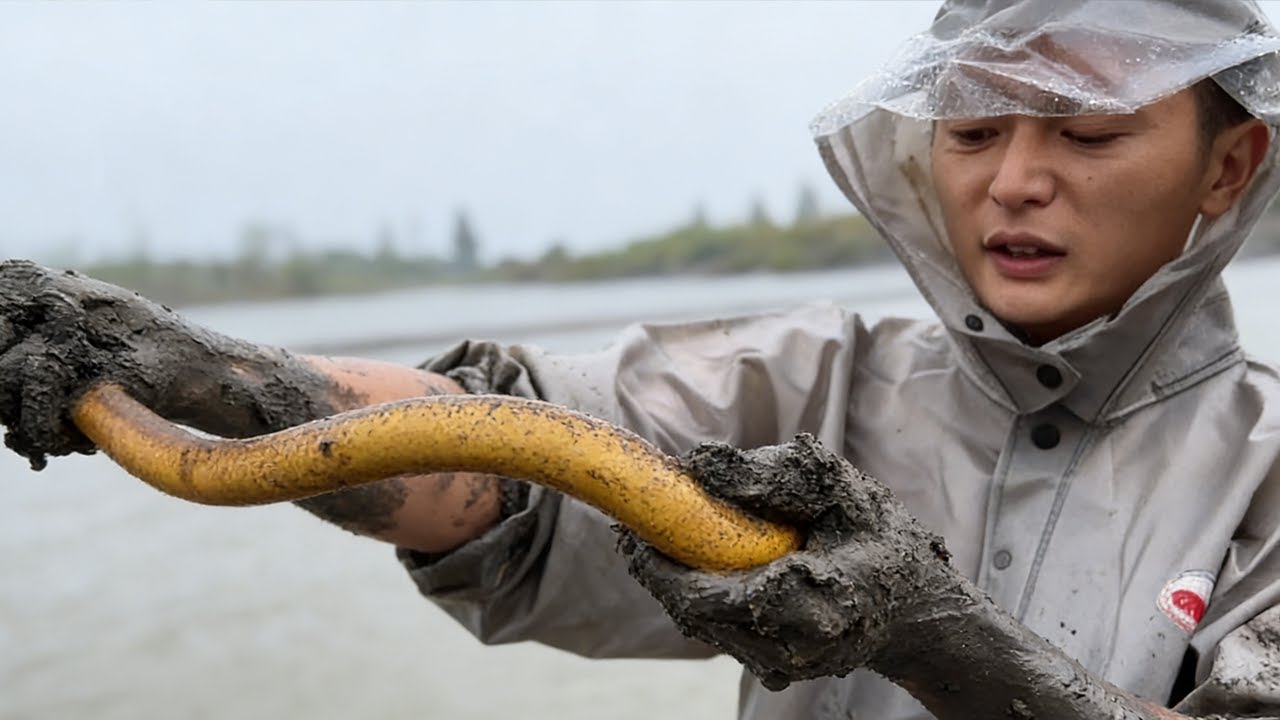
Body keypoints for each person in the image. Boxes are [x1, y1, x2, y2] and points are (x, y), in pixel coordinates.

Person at [2, 0, 1280, 717]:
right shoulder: (803, 385)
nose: (1012, 180)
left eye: (1086, 135)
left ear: (1227, 164)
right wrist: (177, 366)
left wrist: (930, 638)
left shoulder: (1261, 475)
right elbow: (488, 447)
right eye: (972, 129)